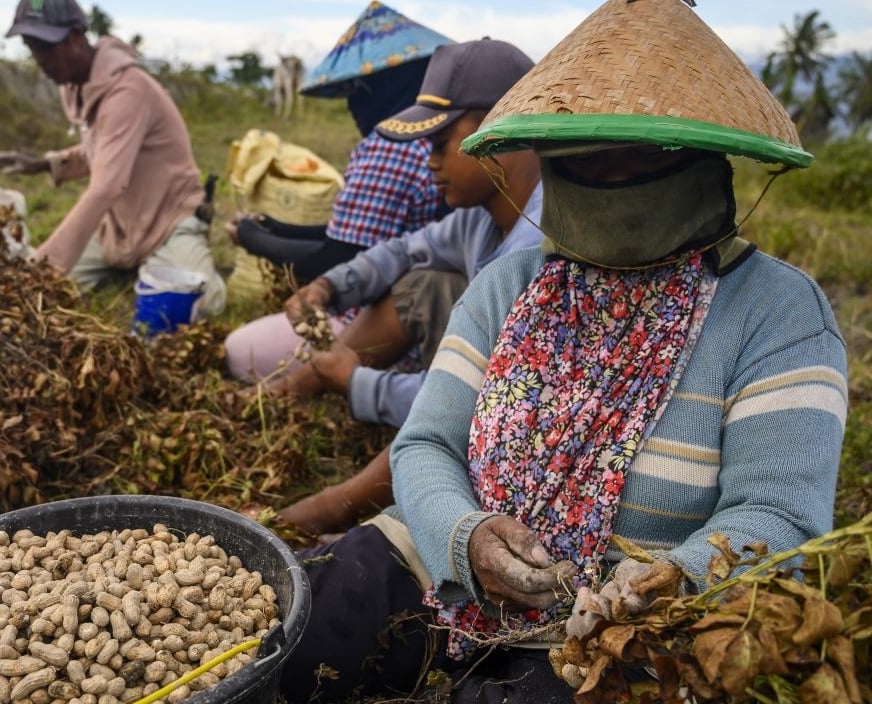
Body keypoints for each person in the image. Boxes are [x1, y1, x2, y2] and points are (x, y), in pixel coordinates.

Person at [280, 1, 847, 702]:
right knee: (288, 627)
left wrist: (663, 583)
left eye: (641, 155)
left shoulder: (778, 312)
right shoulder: (510, 283)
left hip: (626, 634)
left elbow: (779, 518)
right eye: (587, 156)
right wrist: (466, 536)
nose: (610, 175)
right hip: (444, 569)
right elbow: (425, 444)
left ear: (703, 158)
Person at [261, 39, 543, 535]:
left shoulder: (539, 250)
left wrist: (360, 384)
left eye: (439, 143)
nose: (429, 161)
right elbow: (405, 251)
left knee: (440, 422)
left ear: (497, 130)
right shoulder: (482, 218)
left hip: (519, 425)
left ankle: (338, 506)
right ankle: (293, 389)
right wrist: (328, 287)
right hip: (482, 393)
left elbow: (476, 401)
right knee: (423, 281)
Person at [0, 0, 226, 315]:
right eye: (31, 48)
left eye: (45, 47)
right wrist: (45, 163)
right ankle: (132, 264)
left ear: (75, 37)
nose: (40, 60)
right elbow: (105, 151)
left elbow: (105, 187)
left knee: (198, 301)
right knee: (51, 290)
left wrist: (40, 271)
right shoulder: (77, 84)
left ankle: (186, 265)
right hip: (121, 227)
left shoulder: (128, 91)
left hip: (168, 221)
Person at [228, 1, 452, 283]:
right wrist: (278, 228)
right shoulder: (435, 133)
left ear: (384, 86)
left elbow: (339, 261)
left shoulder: (394, 145)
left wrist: (251, 238)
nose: (351, 105)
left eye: (358, 91)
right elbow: (360, 233)